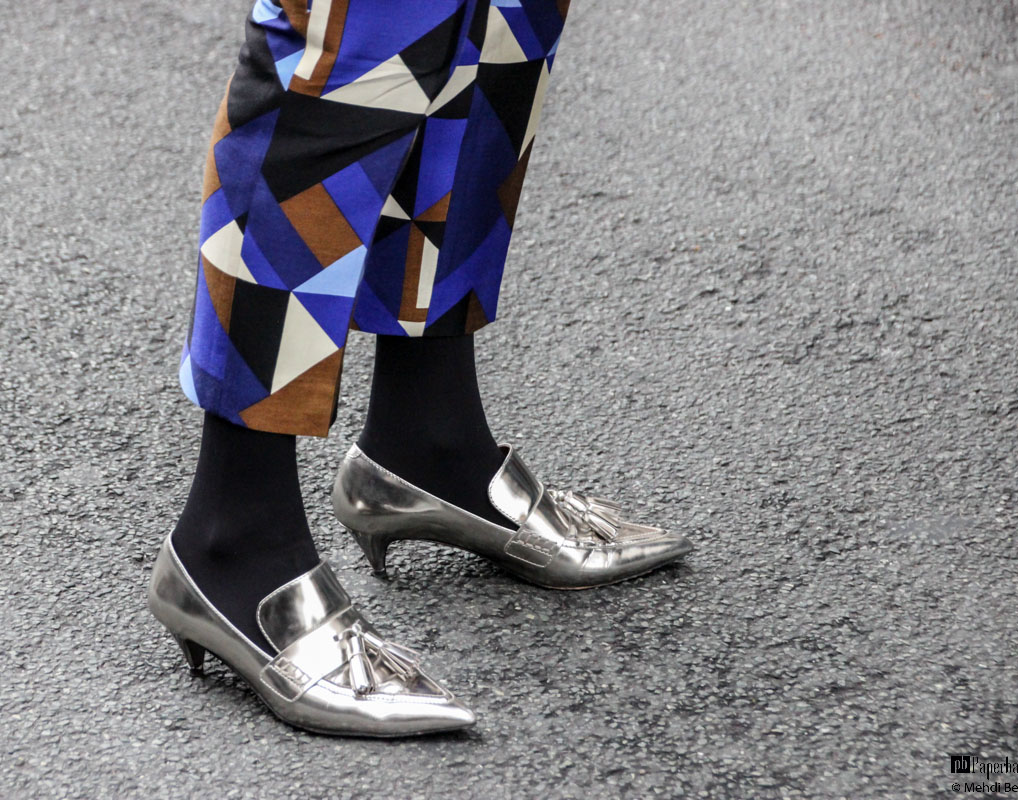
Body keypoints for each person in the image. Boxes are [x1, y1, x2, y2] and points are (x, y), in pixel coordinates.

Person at [147, 0, 692, 737]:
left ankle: (429, 434)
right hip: (235, 535)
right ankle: (234, 532)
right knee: (354, 39)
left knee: (498, 23)